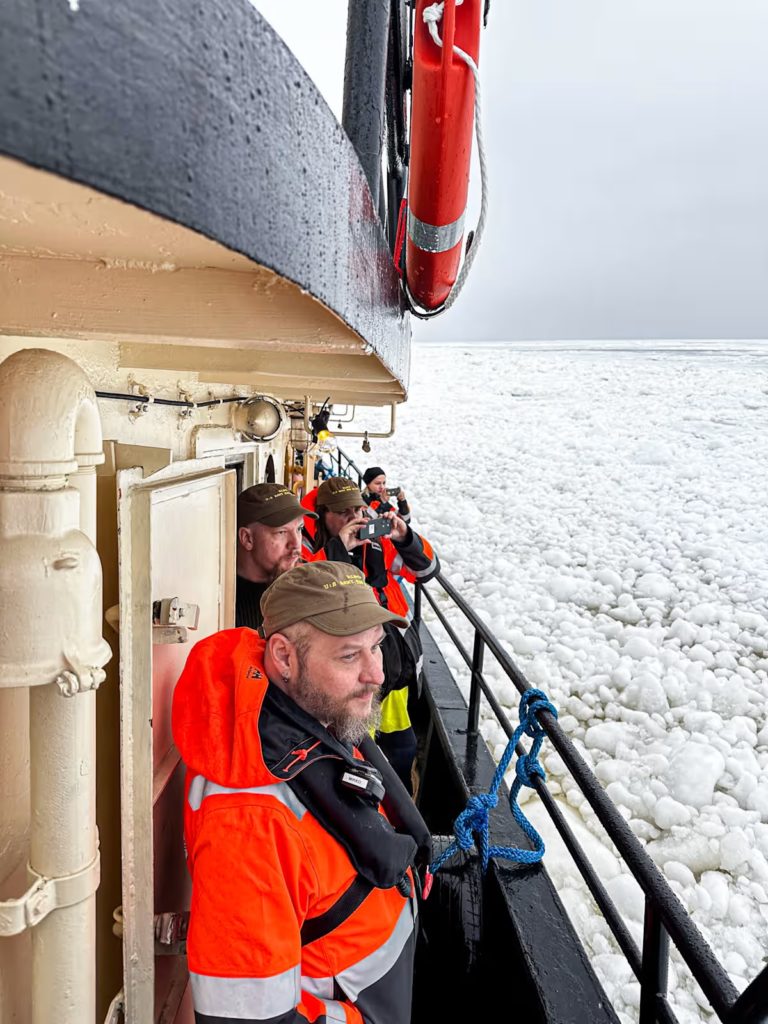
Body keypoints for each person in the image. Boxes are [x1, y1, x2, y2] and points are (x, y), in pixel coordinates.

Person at [172, 561, 431, 1024]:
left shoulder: (313, 710)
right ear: (285, 657)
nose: (376, 674)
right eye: (350, 656)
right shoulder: (250, 823)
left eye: (376, 647)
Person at [301, 477, 439, 792]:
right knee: (351, 752)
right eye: (342, 512)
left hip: (388, 666)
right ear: (323, 514)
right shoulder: (309, 547)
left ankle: (401, 801)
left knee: (400, 747)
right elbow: (301, 589)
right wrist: (337, 549)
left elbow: (427, 571)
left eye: (357, 509)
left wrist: (405, 538)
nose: (354, 518)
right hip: (342, 673)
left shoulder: (380, 541)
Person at [235, 483, 317, 630]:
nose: (296, 544)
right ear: (247, 538)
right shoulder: (222, 605)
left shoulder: (308, 585)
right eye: (282, 532)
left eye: (299, 529)